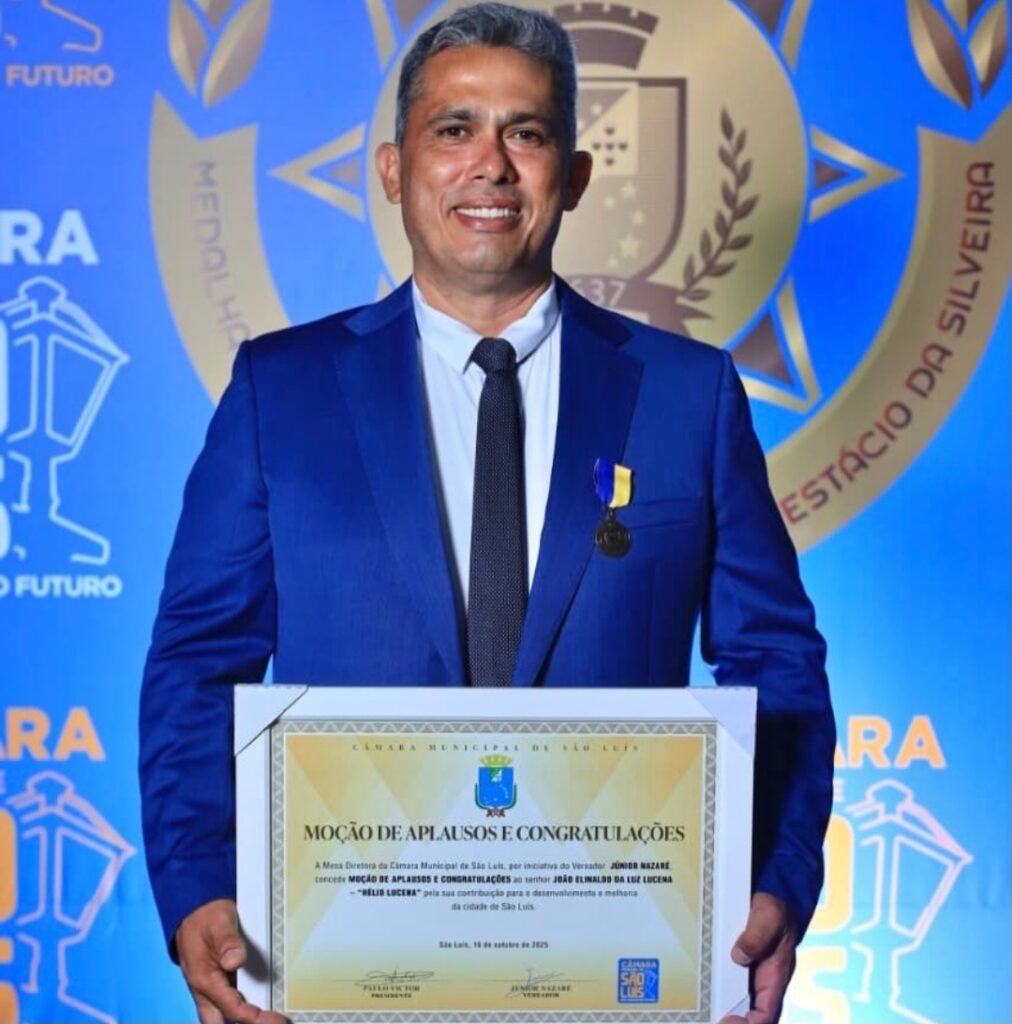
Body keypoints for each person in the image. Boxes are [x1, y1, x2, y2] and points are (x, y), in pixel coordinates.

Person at [139, 4, 835, 1023]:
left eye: (527, 133)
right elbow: (200, 660)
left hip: (615, 978)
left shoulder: (689, 397)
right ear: (393, 169)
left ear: (574, 175)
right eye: (454, 129)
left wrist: (773, 879)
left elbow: (776, 660)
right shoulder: (276, 392)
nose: (491, 166)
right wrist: (199, 886)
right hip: (342, 978)